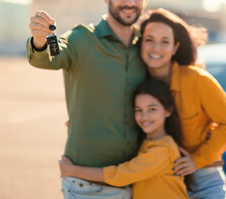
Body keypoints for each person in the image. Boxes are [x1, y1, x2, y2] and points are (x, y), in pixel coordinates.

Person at [26, 0, 150, 198]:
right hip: (88, 187)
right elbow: (53, 55)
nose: (130, 2)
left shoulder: (147, 48)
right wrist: (42, 40)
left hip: (138, 183)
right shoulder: (83, 39)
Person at [138, 8, 226, 199]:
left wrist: (197, 160)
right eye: (149, 40)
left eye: (165, 42)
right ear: (140, 43)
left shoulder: (197, 79)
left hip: (203, 180)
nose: (156, 48)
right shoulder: (136, 84)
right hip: (160, 182)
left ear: (175, 47)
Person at [59, 78, 190, 199]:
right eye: (138, 110)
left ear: (168, 111)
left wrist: (72, 171)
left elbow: (121, 175)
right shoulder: (145, 142)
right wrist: (81, 131)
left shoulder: (163, 150)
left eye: (152, 109)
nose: (144, 116)